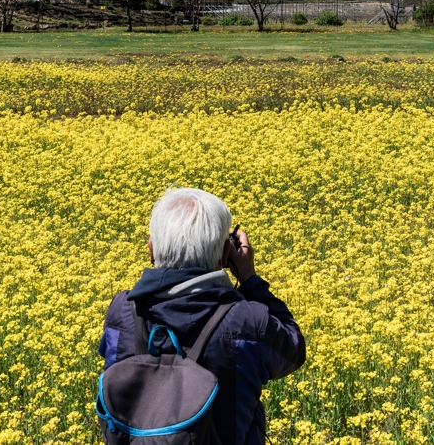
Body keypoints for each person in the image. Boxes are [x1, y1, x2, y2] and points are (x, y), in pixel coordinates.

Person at [98, 187, 306, 445]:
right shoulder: (246, 321)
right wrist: (250, 279)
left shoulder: (123, 310)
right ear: (224, 255)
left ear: (151, 251)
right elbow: (293, 349)